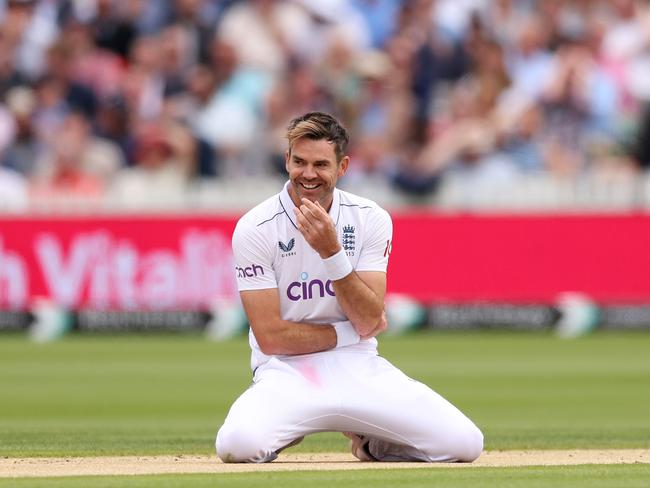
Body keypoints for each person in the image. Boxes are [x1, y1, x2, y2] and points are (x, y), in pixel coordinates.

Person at [215, 111, 483, 463]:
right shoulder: (255, 227)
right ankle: (285, 429)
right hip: (287, 369)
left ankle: (371, 444)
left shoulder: (369, 218)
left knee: (464, 444)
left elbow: (369, 319)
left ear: (342, 167)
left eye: (321, 165)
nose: (308, 174)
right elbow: (271, 337)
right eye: (300, 162)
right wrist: (348, 333)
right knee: (238, 445)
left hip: (358, 365)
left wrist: (332, 252)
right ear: (286, 160)